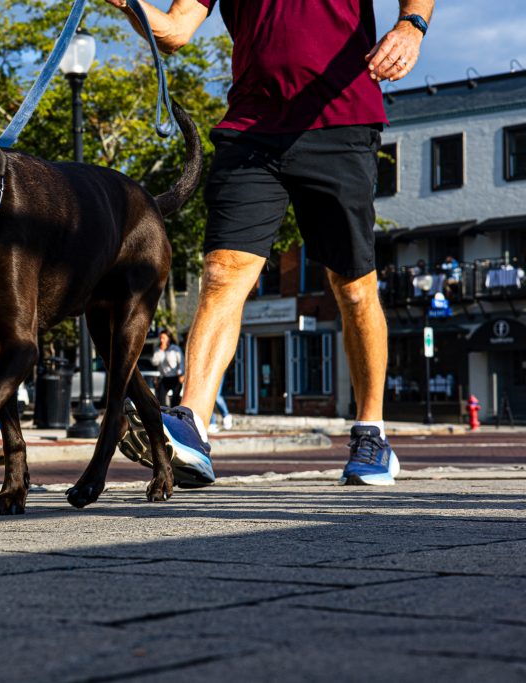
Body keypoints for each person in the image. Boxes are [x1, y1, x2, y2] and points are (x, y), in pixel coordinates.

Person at [110, 0, 432, 487]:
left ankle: (371, 432)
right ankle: (192, 425)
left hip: (339, 121)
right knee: (222, 274)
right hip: (252, 130)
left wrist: (412, 25)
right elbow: (175, 31)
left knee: (352, 287)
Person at [152, 329, 185, 408]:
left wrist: (181, 374)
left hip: (175, 377)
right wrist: (161, 351)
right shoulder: (158, 350)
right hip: (165, 378)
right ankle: (163, 415)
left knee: (175, 399)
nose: (161, 340)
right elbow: (154, 362)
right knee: (161, 398)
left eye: (163, 338)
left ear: (169, 338)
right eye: (160, 338)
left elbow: (181, 362)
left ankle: (174, 414)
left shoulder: (175, 348)